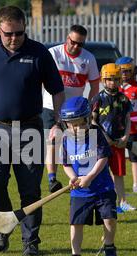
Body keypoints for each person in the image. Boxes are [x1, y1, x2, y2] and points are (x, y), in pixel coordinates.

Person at [0, 6, 65, 256]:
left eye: (19, 33)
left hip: (29, 128)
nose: (14, 38)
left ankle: (31, 241)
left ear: (24, 28)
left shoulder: (39, 53)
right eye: (9, 34)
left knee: (29, 188)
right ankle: (2, 230)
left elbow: (57, 90)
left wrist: (58, 121)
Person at [60, 96, 118, 256]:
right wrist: (72, 177)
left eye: (79, 123)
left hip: (102, 188)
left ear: (87, 119)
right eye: (71, 124)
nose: (76, 128)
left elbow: (103, 158)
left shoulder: (96, 134)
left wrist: (89, 177)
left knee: (109, 219)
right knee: (75, 224)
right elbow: (66, 164)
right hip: (80, 192)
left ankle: (109, 249)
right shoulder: (65, 139)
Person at [42, 25, 100, 193]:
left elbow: (95, 86)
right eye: (73, 42)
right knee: (53, 141)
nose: (75, 46)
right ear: (67, 38)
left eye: (80, 44)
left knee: (77, 144)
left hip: (76, 111)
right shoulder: (53, 53)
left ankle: (80, 176)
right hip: (51, 106)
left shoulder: (88, 59)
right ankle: (52, 179)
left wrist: (88, 107)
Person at [90, 63, 136, 213]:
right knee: (98, 173)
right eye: (109, 79)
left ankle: (122, 202)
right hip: (101, 144)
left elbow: (128, 118)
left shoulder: (123, 99)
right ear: (103, 80)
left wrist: (125, 137)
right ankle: (97, 203)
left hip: (118, 143)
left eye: (116, 79)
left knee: (119, 174)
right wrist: (105, 138)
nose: (113, 83)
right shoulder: (98, 99)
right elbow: (93, 121)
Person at [116, 57, 137, 193]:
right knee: (116, 157)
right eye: (122, 71)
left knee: (135, 156)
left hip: (133, 129)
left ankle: (136, 185)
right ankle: (116, 185)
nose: (125, 74)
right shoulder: (114, 87)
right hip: (117, 129)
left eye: (128, 71)